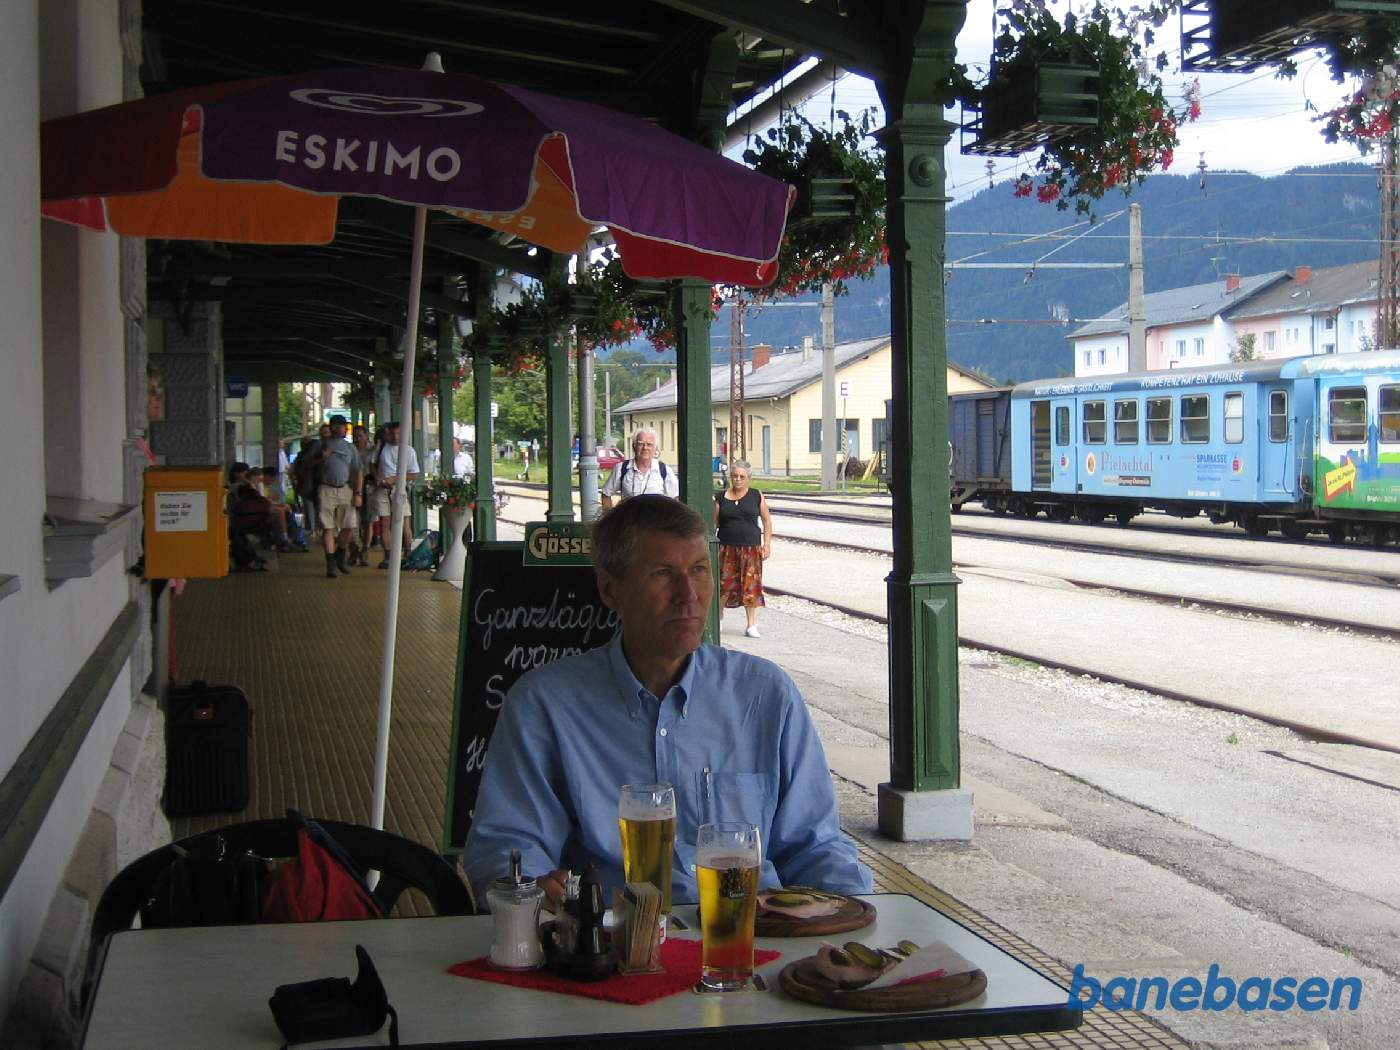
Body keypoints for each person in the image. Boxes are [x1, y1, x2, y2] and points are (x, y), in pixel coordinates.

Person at [461, 495, 872, 909]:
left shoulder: (766, 695)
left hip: (746, 932)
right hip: (614, 938)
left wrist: (857, 912)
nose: (687, 595)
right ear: (610, 589)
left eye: (698, 570)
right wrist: (532, 894)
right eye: (662, 574)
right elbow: (509, 847)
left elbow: (813, 845)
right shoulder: (545, 706)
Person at [714, 459, 773, 639]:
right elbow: (714, 523)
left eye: (742, 476)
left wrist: (767, 544)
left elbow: (766, 520)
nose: (738, 479)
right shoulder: (721, 497)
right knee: (724, 585)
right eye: (735, 476)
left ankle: (751, 624)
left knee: (751, 586)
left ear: (748, 478)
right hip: (726, 547)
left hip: (751, 548)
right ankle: (719, 617)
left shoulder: (756, 495)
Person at [310, 415, 363, 578]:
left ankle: (340, 552)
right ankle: (331, 563)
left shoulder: (350, 448)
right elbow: (307, 464)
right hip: (326, 488)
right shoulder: (320, 445)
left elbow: (358, 471)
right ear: (333, 427)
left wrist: (358, 493)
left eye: (345, 426)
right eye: (342, 426)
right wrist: (321, 458)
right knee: (328, 527)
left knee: (349, 525)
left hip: (345, 488)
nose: (345, 429)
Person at [374, 420, 419, 568]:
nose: (395, 437)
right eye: (392, 434)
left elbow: (413, 474)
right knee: (384, 522)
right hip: (382, 489)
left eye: (398, 433)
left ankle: (408, 554)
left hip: (398, 489)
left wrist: (394, 479)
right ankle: (388, 556)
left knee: (404, 522)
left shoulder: (409, 451)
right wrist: (377, 477)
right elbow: (372, 463)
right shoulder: (381, 447)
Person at [599, 428, 679, 510]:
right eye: (640, 444)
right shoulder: (621, 469)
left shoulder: (664, 470)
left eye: (649, 444)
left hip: (656, 518)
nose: (645, 448)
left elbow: (676, 498)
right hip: (629, 518)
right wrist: (610, 515)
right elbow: (606, 494)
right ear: (634, 446)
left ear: (655, 448)